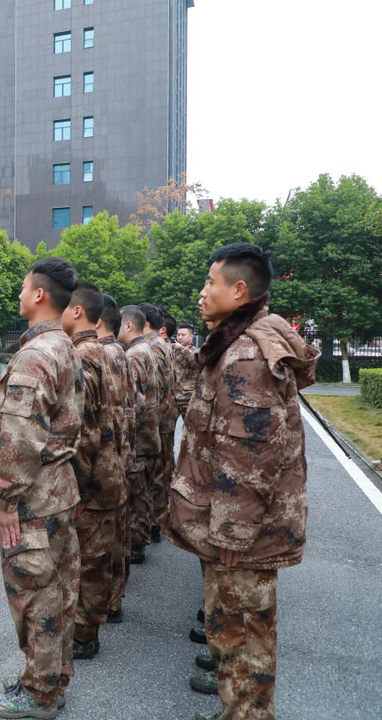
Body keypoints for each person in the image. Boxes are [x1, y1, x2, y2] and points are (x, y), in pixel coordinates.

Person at [162, 243, 317, 720]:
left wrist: (232, 536)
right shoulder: (235, 342)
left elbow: (251, 458)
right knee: (233, 641)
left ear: (239, 289)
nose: (203, 292)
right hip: (236, 531)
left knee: (242, 644)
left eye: (211, 282)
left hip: (241, 538)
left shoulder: (247, 357)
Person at [0, 258, 83, 719]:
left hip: (33, 499)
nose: (19, 295)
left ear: (39, 294)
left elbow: (19, 437)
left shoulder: (36, 354)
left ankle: (39, 694)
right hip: (58, 491)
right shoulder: (63, 345)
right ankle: (49, 676)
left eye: (24, 288)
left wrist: (4, 500)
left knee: (35, 595)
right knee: (58, 590)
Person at [62, 282, 127, 661]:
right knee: (101, 555)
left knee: (87, 560)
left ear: (77, 311)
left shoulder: (84, 356)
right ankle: (92, 625)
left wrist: (78, 488)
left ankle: (84, 635)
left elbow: (84, 431)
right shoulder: (109, 351)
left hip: (93, 477)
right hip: (112, 466)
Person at [96, 294, 133, 624]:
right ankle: (114, 599)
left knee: (98, 543)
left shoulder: (98, 355)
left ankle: (99, 608)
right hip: (120, 453)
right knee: (116, 533)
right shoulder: (121, 354)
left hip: (101, 460)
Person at [117, 305, 161, 564]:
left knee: (136, 494)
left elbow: (133, 401)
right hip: (149, 434)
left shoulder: (135, 354)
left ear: (129, 325)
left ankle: (136, 544)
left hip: (140, 438)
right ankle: (140, 540)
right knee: (142, 490)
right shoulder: (145, 349)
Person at [140, 302, 176, 544]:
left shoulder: (151, 347)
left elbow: (152, 389)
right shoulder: (161, 344)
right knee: (160, 473)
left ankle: (153, 522)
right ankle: (158, 521)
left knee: (152, 475)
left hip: (157, 420)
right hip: (166, 418)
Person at [172, 324, 201, 420]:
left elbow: (196, 361)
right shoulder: (173, 351)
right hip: (173, 396)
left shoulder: (197, 351)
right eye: (178, 335)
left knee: (191, 425)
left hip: (188, 396)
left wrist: (182, 348)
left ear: (191, 336)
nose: (179, 337)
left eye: (183, 335)